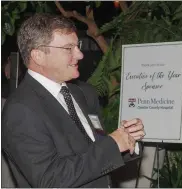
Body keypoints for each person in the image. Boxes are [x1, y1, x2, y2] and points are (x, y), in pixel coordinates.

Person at [2, 13, 145, 188]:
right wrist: (112, 145)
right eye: (69, 48)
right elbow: (50, 180)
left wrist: (127, 141)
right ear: (38, 55)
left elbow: (95, 152)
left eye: (77, 46)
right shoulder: (21, 110)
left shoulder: (83, 93)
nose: (79, 55)